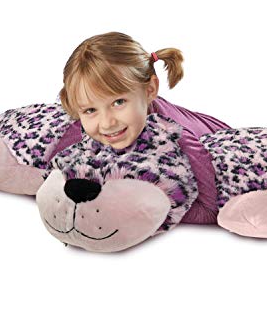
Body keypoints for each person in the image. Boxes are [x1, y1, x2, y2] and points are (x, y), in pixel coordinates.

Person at [56, 31, 232, 225]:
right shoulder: (82, 130)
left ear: (150, 90)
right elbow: (54, 169)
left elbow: (210, 209)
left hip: (216, 134)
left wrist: (153, 208)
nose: (106, 123)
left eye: (118, 102)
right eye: (90, 110)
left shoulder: (174, 136)